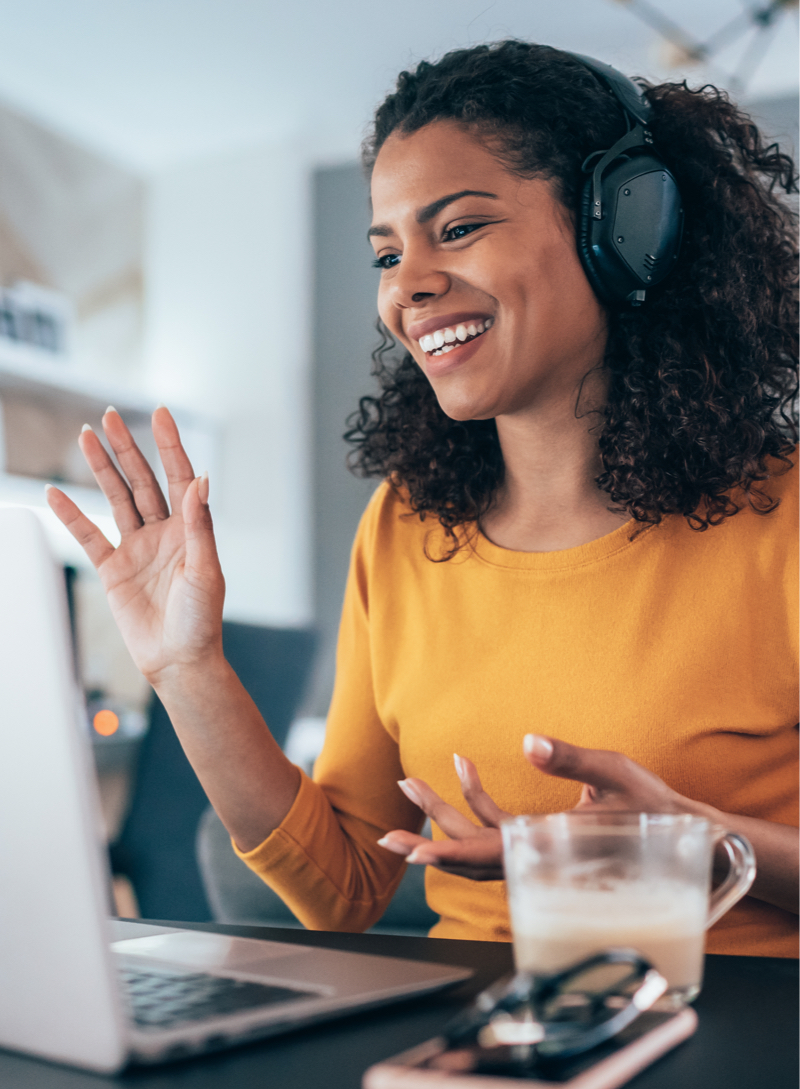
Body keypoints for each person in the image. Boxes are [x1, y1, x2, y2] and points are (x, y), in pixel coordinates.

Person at [48, 41, 798, 957]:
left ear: (626, 225)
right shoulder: (406, 527)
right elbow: (347, 891)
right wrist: (186, 669)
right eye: (386, 252)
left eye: (458, 228)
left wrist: (689, 842)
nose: (407, 286)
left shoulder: (785, 517)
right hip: (474, 1045)